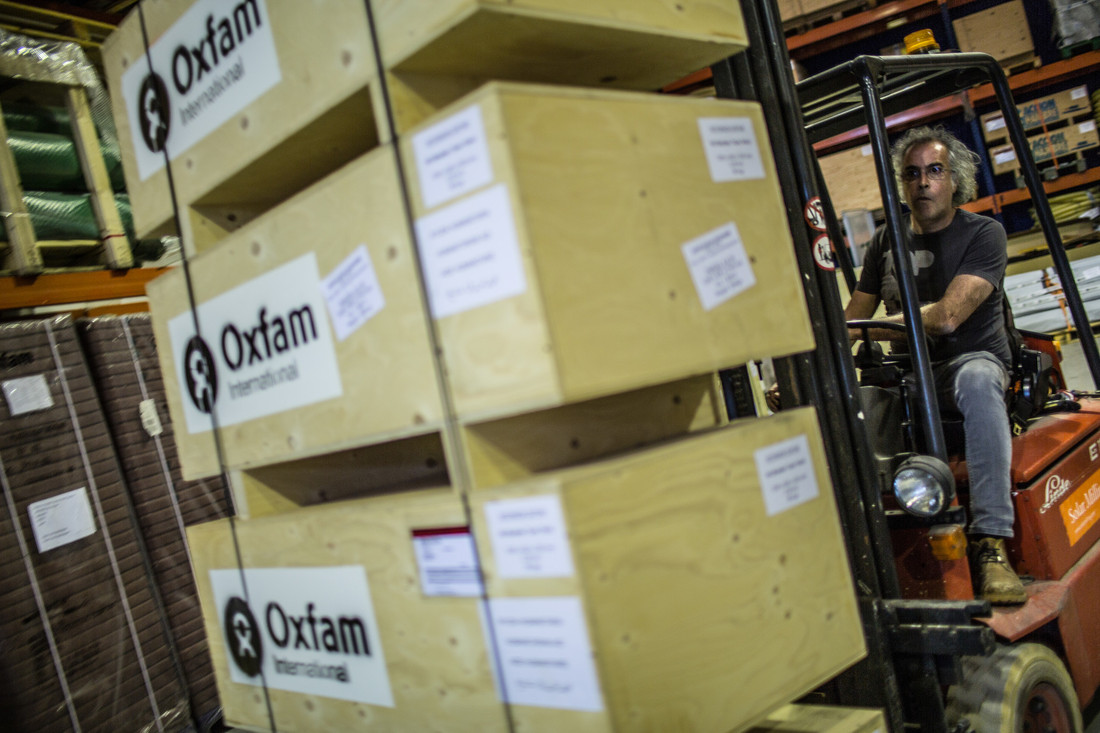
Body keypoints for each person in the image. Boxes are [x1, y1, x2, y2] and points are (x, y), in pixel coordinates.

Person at [845, 125, 1026, 605]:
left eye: (934, 171)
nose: (922, 182)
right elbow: (851, 323)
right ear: (900, 185)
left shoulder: (984, 233)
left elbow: (946, 318)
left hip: (964, 364)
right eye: (911, 174)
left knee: (980, 380)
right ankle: (859, 550)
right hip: (906, 377)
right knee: (849, 407)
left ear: (954, 180)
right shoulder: (884, 244)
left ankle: (990, 540)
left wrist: (882, 325)